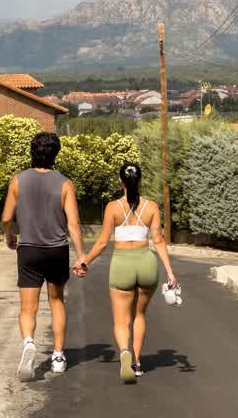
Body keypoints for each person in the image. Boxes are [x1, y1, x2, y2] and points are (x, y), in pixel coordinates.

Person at [73, 162, 177, 383]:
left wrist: (84, 263)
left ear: (121, 181)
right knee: (139, 315)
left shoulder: (112, 207)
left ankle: (124, 353)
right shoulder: (151, 207)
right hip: (146, 263)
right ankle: (137, 364)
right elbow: (158, 241)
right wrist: (170, 271)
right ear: (139, 181)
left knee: (121, 320)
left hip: (122, 264)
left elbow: (103, 243)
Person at [2, 132, 86, 382]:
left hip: (28, 249)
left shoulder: (18, 180)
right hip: (56, 250)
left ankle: (29, 342)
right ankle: (58, 357)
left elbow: (6, 218)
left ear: (32, 152)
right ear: (55, 154)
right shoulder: (65, 184)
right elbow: (73, 225)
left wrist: (9, 235)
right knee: (56, 302)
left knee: (28, 308)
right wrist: (81, 255)